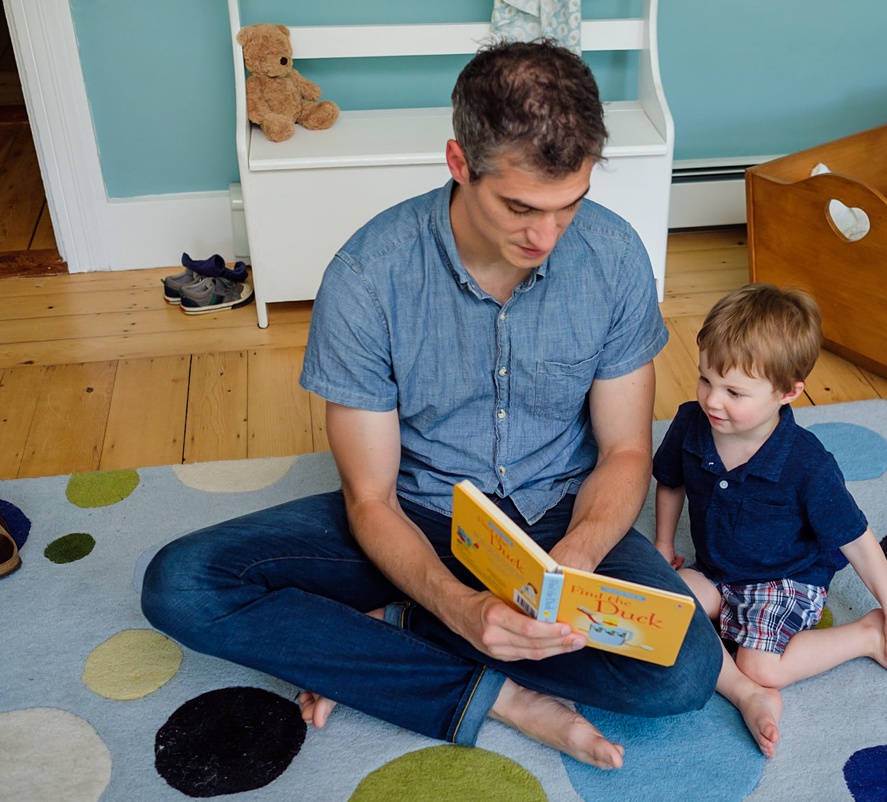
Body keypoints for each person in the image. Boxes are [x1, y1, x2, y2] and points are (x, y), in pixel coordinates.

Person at [140, 39, 735, 772]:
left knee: (685, 673)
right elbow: (370, 497)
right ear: (460, 164)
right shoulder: (368, 276)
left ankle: (393, 628)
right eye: (520, 208)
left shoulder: (613, 257)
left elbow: (623, 453)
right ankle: (492, 693)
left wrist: (569, 570)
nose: (546, 237)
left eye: (568, 206)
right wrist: (463, 606)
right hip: (417, 512)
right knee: (183, 583)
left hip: (558, 513)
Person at [653, 283, 887, 700]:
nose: (712, 400)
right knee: (665, 612)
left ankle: (865, 637)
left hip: (783, 578)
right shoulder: (692, 423)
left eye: (734, 392)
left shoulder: (807, 464)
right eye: (704, 379)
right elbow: (670, 482)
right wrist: (662, 542)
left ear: (788, 393)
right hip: (716, 569)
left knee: (761, 666)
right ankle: (732, 665)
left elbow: (856, 539)